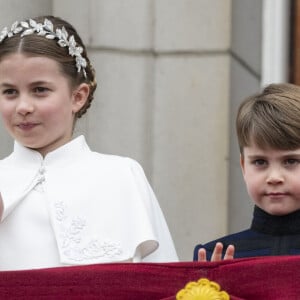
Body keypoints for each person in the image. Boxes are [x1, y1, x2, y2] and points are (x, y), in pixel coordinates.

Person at [0, 15, 178, 271]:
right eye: (9, 92)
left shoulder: (121, 175)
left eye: (40, 90)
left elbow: (164, 284)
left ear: (78, 96)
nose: (24, 107)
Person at [194, 83, 300, 261]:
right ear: (243, 166)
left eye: (290, 161)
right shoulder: (213, 255)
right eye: (260, 162)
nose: (274, 177)